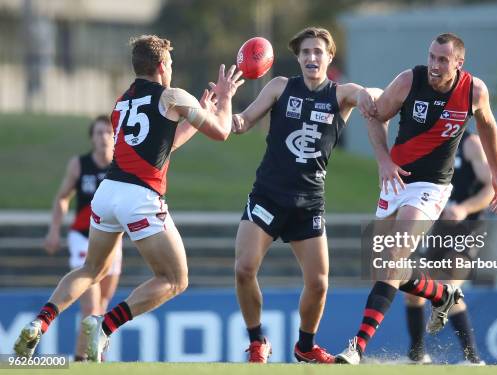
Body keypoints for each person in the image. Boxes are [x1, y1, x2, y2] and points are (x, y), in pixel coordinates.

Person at [14, 34, 244, 361]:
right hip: (140, 197)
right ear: (162, 66)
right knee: (176, 279)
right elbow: (221, 131)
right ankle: (105, 325)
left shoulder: (121, 103)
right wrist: (224, 97)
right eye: (171, 64)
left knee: (91, 269)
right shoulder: (173, 95)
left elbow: (163, 148)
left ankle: (40, 322)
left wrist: (197, 115)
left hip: (107, 193)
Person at [335, 32, 497, 365]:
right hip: (397, 179)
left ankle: (357, 347)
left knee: (394, 256)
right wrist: (384, 161)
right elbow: (375, 115)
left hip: (432, 187)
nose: (434, 65)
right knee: (383, 268)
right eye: (432, 57)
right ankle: (442, 294)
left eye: (442, 60)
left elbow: (489, 126)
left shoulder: (474, 91)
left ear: (459, 63)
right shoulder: (408, 81)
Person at [231, 27, 379, 363]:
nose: (312, 57)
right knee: (244, 268)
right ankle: (257, 342)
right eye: (305, 52)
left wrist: (379, 97)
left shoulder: (341, 94)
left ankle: (305, 345)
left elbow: (370, 96)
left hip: (308, 202)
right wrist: (225, 105)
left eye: (318, 52)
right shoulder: (280, 87)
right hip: (268, 195)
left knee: (319, 284)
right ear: (298, 58)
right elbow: (241, 123)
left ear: (329, 57)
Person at [404, 131, 493, 365]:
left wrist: (464, 208)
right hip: (438, 229)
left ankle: (472, 359)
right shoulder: (427, 142)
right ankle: (417, 354)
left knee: (448, 288)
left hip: (468, 230)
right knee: (414, 291)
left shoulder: (471, 144)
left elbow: (491, 188)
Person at [42, 115, 123, 361]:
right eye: (98, 133)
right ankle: (82, 359)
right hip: (83, 238)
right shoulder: (80, 165)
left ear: (115, 136)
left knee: (103, 306)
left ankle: (93, 358)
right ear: (92, 138)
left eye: (108, 132)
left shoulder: (122, 166)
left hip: (112, 241)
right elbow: (62, 197)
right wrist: (54, 229)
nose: (103, 138)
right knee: (90, 306)